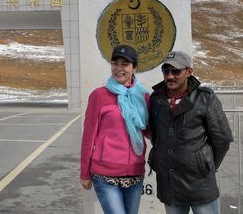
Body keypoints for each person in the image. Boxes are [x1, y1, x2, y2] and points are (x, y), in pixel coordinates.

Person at [148, 51, 233, 214]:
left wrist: (205, 165)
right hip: (169, 184)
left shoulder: (206, 98)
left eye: (176, 71)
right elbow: (156, 135)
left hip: (200, 184)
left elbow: (222, 139)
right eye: (166, 71)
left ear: (189, 71)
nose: (170, 76)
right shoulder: (156, 99)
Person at [80, 45, 150, 214]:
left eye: (124, 64)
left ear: (134, 68)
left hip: (135, 172)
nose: (118, 68)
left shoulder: (144, 97)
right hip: (105, 174)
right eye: (115, 63)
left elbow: (149, 131)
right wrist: (84, 173)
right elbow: (88, 137)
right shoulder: (99, 96)